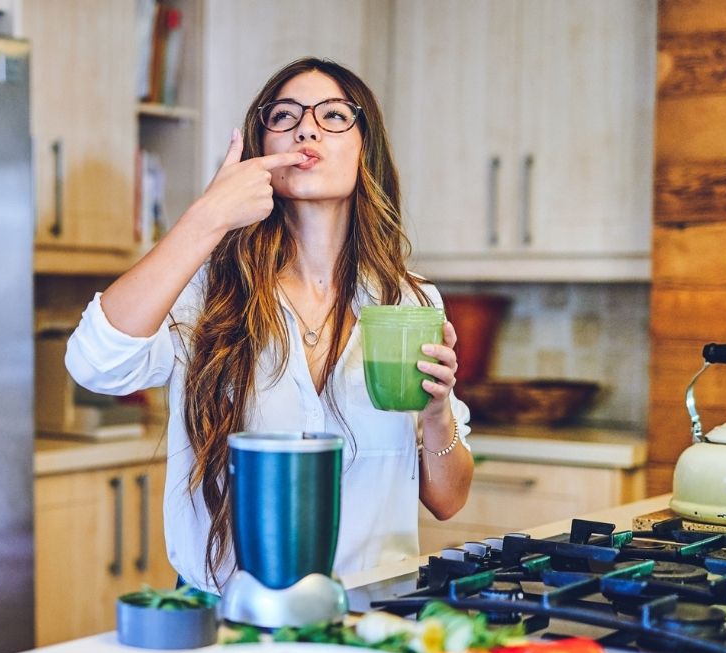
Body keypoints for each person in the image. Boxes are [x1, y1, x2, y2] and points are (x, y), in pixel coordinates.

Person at [66, 57, 474, 594]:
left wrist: (438, 410)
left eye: (332, 116)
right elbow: (96, 365)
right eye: (284, 116)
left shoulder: (409, 300)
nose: (306, 127)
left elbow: (448, 500)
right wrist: (208, 216)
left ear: (364, 148)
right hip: (230, 619)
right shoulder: (207, 291)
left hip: (374, 617)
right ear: (261, 150)